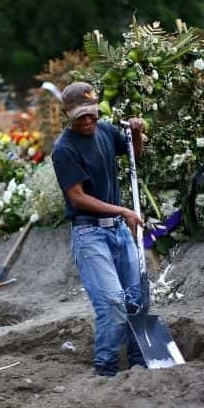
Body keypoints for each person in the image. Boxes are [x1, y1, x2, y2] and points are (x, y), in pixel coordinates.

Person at [51, 81, 147, 376]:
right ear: (67, 115)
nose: (87, 121)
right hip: (90, 234)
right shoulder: (64, 149)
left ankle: (140, 362)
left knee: (137, 298)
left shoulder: (105, 131)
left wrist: (136, 133)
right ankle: (105, 368)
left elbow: (135, 156)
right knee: (113, 304)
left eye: (91, 113)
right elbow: (77, 197)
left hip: (118, 230)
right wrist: (123, 210)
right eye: (80, 116)